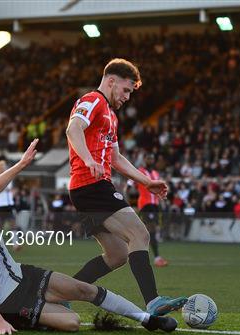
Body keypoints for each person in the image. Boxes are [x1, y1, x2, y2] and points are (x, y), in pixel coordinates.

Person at [0, 139, 177, 334]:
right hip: (9, 299)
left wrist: (22, 164)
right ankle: (22, 316)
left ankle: (148, 319)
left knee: (84, 289)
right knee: (72, 322)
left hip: (21, 274)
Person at [65, 58, 186, 316]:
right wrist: (88, 159)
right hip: (92, 185)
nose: (128, 96)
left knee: (117, 255)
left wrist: (146, 181)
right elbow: (73, 128)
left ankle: (60, 294)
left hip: (86, 189)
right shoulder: (94, 100)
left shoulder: (111, 116)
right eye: (126, 89)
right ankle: (153, 301)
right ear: (111, 81)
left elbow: (115, 158)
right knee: (140, 235)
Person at [125, 155, 168, 267]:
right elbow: (128, 187)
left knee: (146, 232)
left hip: (155, 205)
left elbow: (159, 189)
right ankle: (157, 258)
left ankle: (136, 255)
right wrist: (130, 203)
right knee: (151, 229)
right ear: (145, 160)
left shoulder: (155, 173)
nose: (150, 160)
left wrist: (162, 200)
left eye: (152, 158)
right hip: (145, 204)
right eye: (148, 158)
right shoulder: (139, 171)